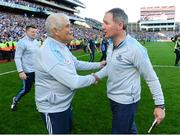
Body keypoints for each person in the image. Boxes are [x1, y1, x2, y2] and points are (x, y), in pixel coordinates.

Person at [94, 8, 165, 134]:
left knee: (120, 131)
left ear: (120, 25)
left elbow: (151, 77)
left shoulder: (135, 49)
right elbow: (111, 66)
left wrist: (160, 106)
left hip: (126, 102)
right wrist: (97, 76)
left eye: (106, 23)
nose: (102, 26)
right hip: (113, 97)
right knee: (129, 128)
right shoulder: (111, 44)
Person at [35, 13, 105, 134]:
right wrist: (95, 77)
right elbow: (74, 82)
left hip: (63, 104)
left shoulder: (60, 46)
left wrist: (99, 65)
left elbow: (76, 63)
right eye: (67, 26)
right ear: (56, 31)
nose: (71, 29)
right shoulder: (49, 52)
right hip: (53, 108)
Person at [11, 25, 39, 111]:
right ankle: (15, 100)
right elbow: (17, 57)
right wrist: (21, 71)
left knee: (41, 87)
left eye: (35, 32)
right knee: (26, 89)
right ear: (26, 32)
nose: (34, 33)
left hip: (37, 70)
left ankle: (42, 103)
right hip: (28, 71)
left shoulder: (36, 42)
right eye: (32, 32)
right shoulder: (21, 42)